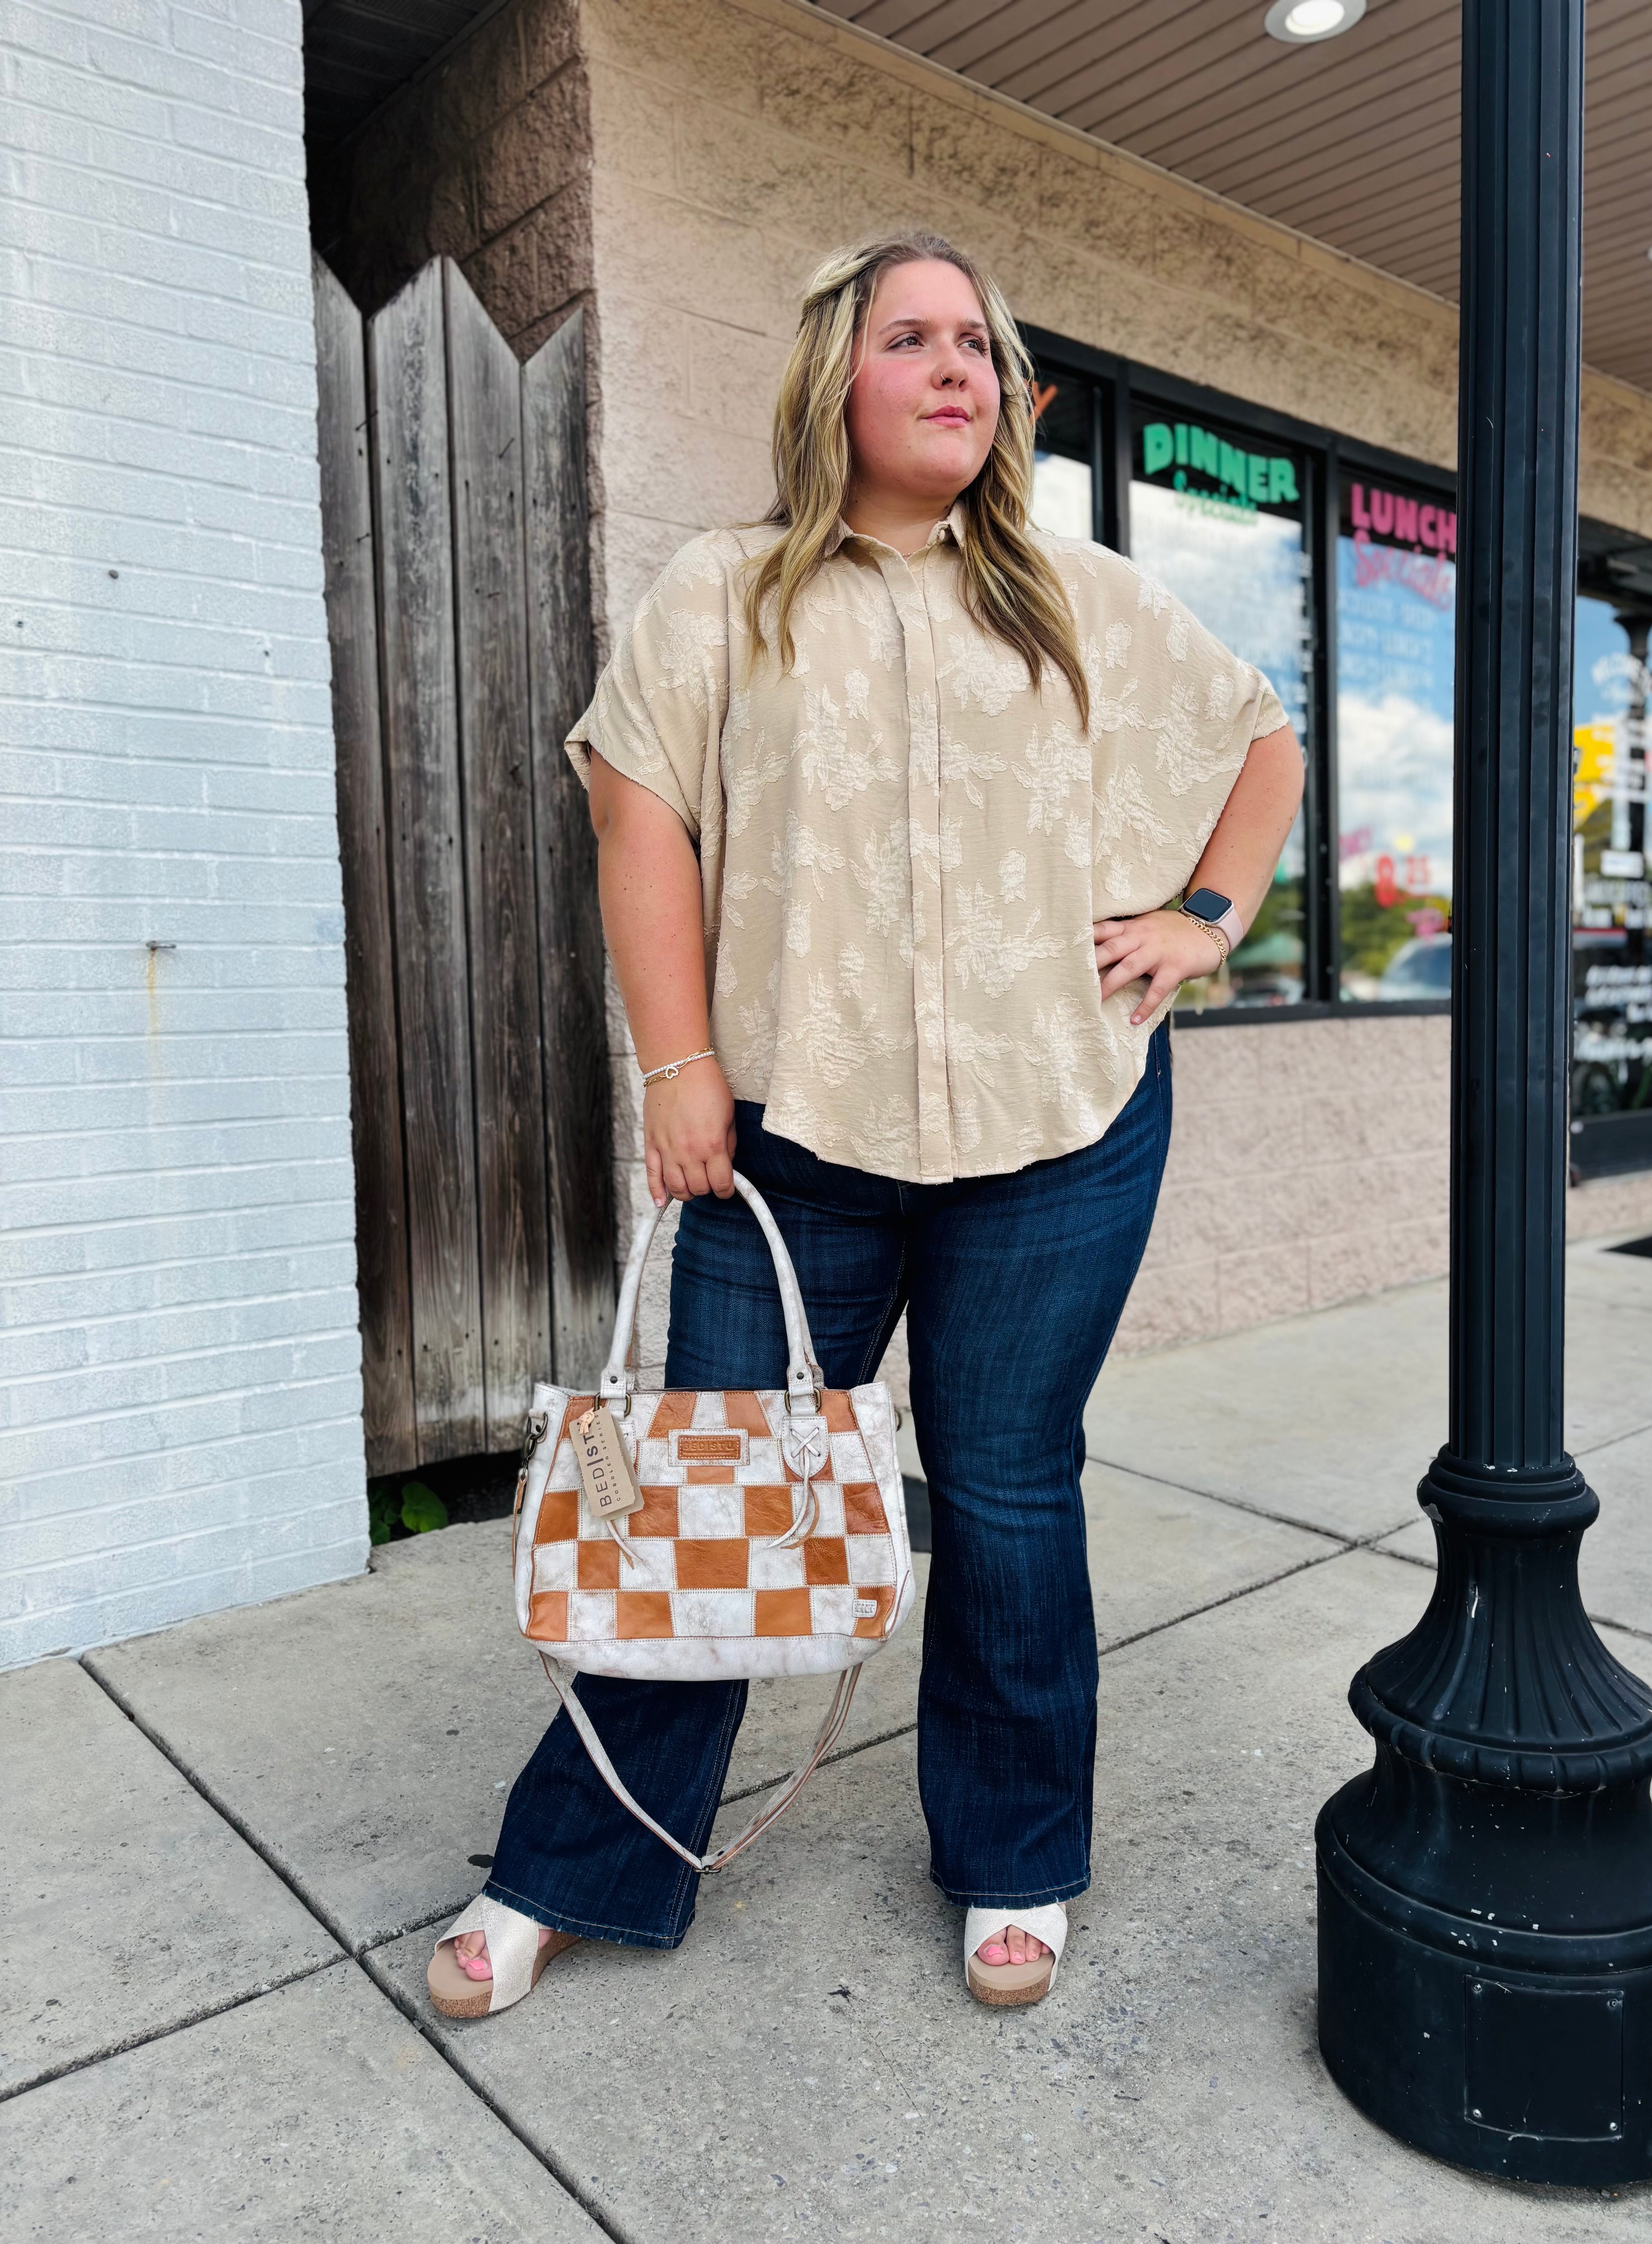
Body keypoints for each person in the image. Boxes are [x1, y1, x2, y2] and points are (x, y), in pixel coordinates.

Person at [427, 229, 1303, 2018]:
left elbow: (1259, 744)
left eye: (980, 343)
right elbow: (639, 817)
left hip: (1059, 1129)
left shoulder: (1080, 590)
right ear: (838, 371)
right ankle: (578, 1859)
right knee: (706, 1493)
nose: (959, 367)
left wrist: (1203, 922)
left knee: (1002, 1491)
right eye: (915, 337)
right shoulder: (725, 589)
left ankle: (1012, 1851)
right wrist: (677, 1071)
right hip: (788, 1141)